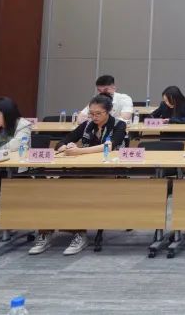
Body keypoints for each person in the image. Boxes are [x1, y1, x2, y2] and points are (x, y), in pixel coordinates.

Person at [30, 95, 128, 256]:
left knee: (79, 190)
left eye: (98, 114)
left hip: (108, 171)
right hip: (83, 169)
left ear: (108, 112)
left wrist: (79, 151)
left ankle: (79, 233)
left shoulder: (119, 125)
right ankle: (45, 232)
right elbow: (62, 142)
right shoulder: (87, 125)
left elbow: (109, 146)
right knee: (54, 188)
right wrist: (66, 147)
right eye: (91, 113)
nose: (94, 117)